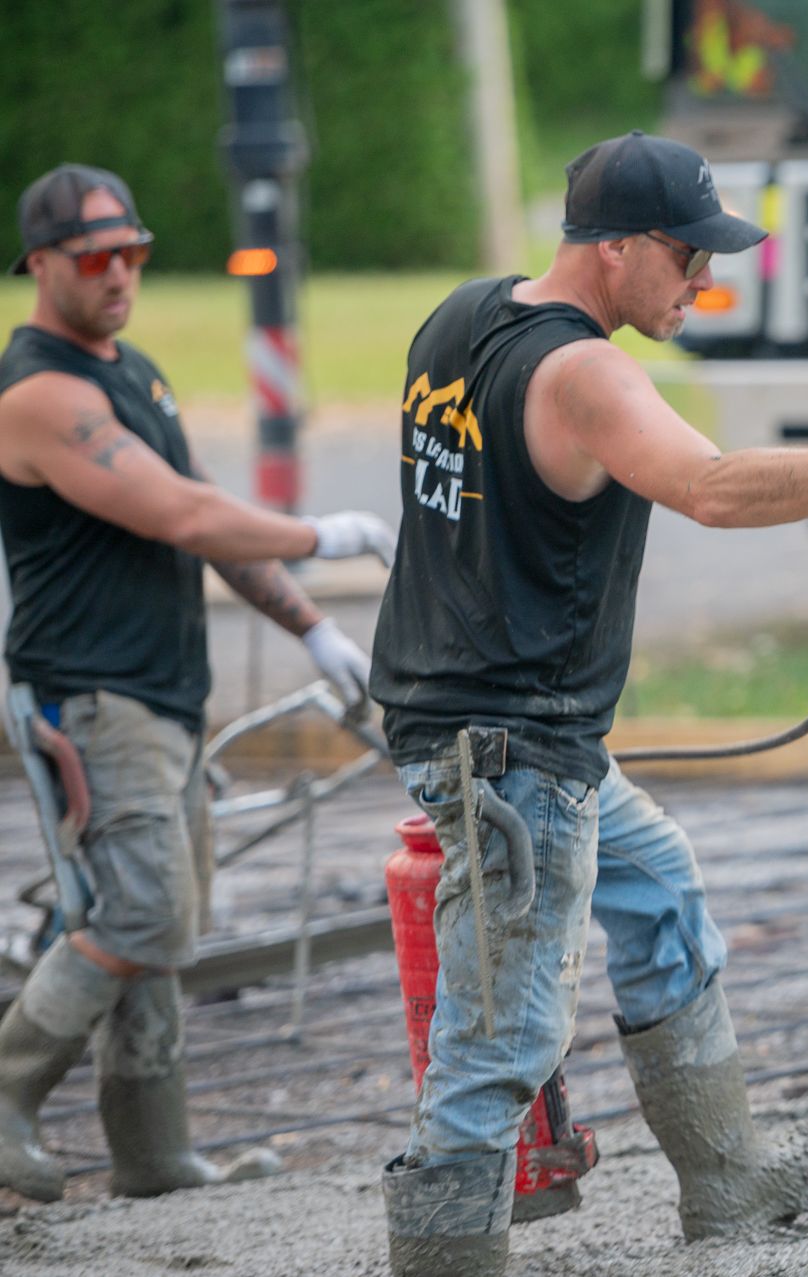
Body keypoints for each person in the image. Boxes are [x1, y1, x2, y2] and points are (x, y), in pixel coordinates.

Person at [368, 130, 808, 1276]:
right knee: (502, 1029)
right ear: (615, 248)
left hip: (470, 714)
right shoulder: (589, 375)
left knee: (658, 890)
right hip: (514, 745)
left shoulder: (458, 320)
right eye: (689, 253)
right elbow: (708, 486)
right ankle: (445, 1258)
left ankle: (726, 1181)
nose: (706, 278)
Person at [0, 164, 395, 1203]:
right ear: (40, 264)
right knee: (139, 911)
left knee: (165, 923)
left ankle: (153, 1153)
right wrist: (325, 534)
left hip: (159, 691)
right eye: (96, 256)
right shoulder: (41, 395)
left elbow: (202, 512)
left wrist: (315, 631)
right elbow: (180, 515)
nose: (121, 271)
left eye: (134, 250)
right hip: (90, 693)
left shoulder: (135, 373)